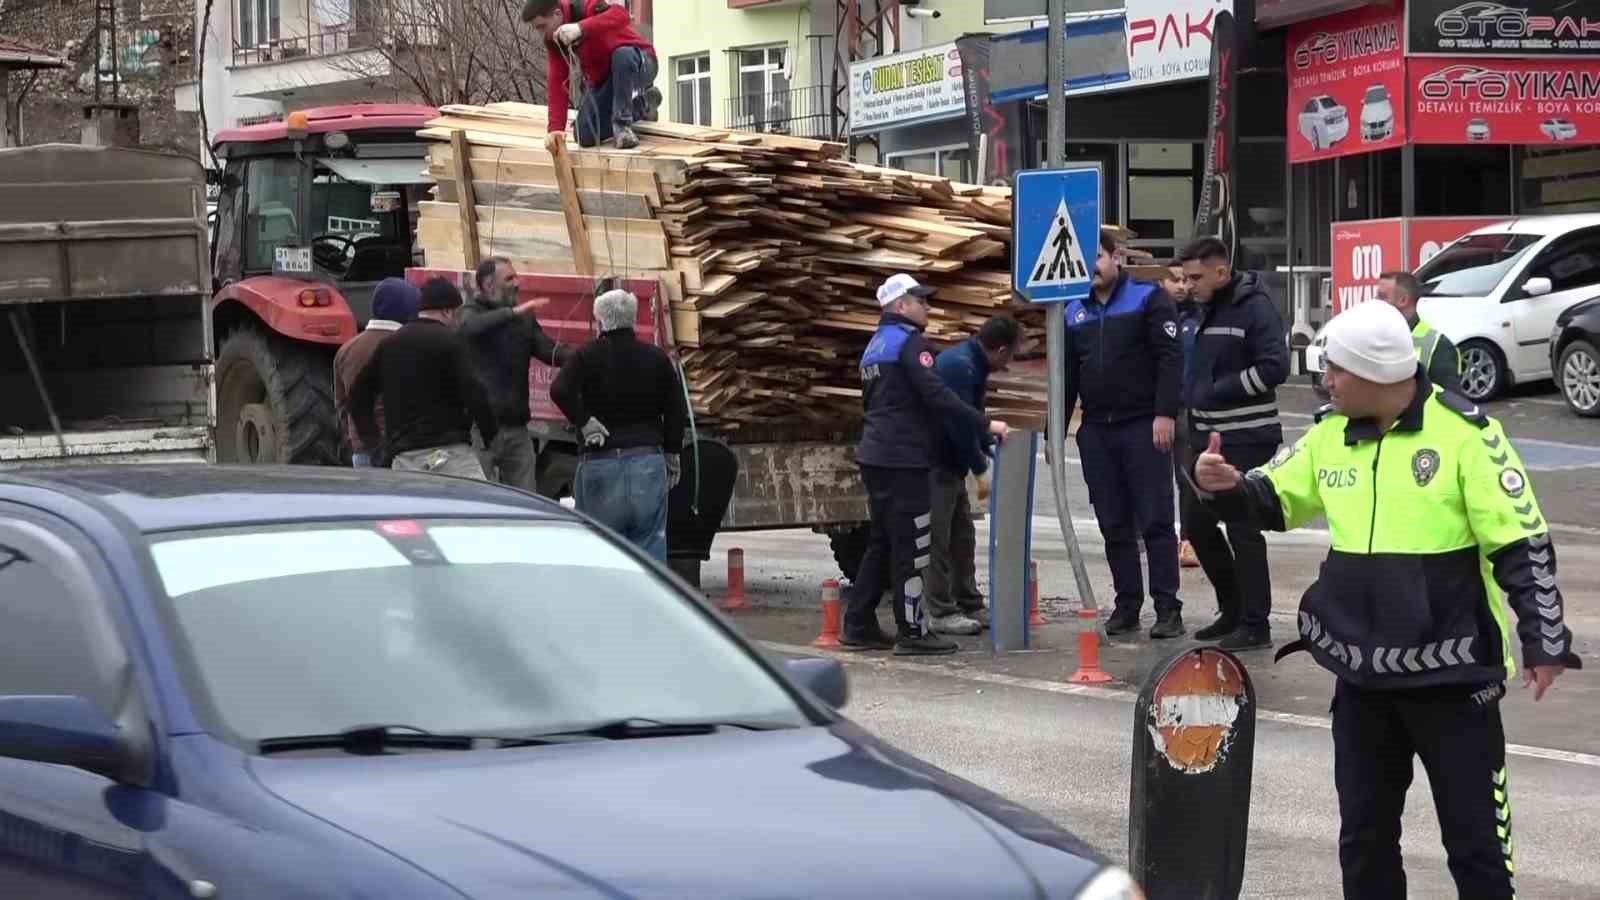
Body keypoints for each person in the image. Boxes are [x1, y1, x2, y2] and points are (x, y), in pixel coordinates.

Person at [1193, 299, 1580, 900]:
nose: (1324, 380)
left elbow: (1522, 543)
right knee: (1365, 842)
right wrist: (1228, 488)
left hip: (1454, 680)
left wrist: (1544, 637)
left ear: (1377, 375)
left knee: (1477, 848)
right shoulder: (1329, 434)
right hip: (1361, 678)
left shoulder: (1468, 435)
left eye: (1336, 370)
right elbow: (1274, 498)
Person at [842, 274, 1010, 656]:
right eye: (920, 300)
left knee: (882, 542)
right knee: (913, 547)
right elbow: (937, 395)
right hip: (904, 459)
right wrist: (985, 423)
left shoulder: (875, 346)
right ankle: (913, 633)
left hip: (876, 454)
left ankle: (858, 623)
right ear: (901, 305)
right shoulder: (910, 344)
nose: (927, 306)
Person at [1061, 232, 1185, 639]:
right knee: (1113, 523)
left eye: (1096, 256)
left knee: (1155, 520)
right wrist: (1055, 431)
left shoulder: (1147, 299)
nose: (1091, 266)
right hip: (1097, 429)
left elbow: (1170, 358)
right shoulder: (1072, 310)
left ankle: (1167, 608)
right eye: (1084, 259)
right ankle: (1126, 604)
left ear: (1117, 257)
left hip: (1142, 424)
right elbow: (1065, 376)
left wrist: (1165, 413)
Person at [1178, 236, 1290, 651]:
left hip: (1246, 434)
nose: (1188, 285)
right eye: (1184, 278)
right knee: (1198, 525)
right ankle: (1232, 609)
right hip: (1207, 436)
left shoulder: (1253, 306)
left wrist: (1219, 389)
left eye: (1195, 277)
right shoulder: (1200, 308)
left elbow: (1275, 366)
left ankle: (1255, 623)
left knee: (1243, 528)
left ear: (1222, 272)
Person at [550, 288, 685, 561]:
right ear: (634, 319)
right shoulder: (656, 358)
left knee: (602, 548)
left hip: (599, 463)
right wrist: (672, 453)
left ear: (600, 320)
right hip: (647, 463)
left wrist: (585, 422)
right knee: (649, 547)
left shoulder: (585, 356)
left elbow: (559, 389)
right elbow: (675, 408)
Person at [924, 315, 1021, 635]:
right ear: (1001, 350)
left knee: (962, 535)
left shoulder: (972, 363)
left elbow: (972, 416)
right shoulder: (959, 366)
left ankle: (968, 601)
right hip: (936, 462)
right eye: (1010, 356)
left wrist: (986, 441)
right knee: (938, 538)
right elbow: (957, 424)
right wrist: (980, 468)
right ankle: (939, 610)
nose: (1008, 364)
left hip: (951, 464)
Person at [348, 278, 497, 479]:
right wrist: (490, 436)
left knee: (413, 511)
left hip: (405, 460)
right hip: (453, 456)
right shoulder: (453, 342)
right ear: (447, 311)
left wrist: (375, 444)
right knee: (476, 508)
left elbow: (358, 396)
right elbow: (475, 392)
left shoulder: (390, 344)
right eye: (457, 313)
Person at [458, 257, 575, 493]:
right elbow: (469, 329)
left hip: (517, 430)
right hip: (480, 432)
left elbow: (548, 351)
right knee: (478, 504)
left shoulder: (523, 319)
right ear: (489, 285)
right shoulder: (470, 313)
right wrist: (511, 313)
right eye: (509, 278)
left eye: (516, 276)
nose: (517, 283)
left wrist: (584, 356)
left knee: (526, 501)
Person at [521, 0, 660, 149]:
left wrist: (581, 28)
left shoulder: (586, 6)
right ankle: (645, 103)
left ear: (557, 14)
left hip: (639, 62)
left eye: (542, 26)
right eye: (538, 29)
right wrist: (555, 129)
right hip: (606, 79)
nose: (542, 34)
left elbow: (621, 15)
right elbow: (557, 81)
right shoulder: (554, 41)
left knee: (622, 56)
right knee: (584, 135)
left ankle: (622, 128)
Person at [334, 277, 419, 467]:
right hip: (401, 451)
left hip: (362, 450)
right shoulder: (406, 346)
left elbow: (341, 406)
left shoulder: (346, 350)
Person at [1164, 258, 1201, 570]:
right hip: (1155, 410)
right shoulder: (1151, 317)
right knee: (1151, 478)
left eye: (1185, 280)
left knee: (1186, 478)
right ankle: (1153, 538)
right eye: (1174, 279)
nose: (1181, 286)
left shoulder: (1200, 318)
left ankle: (1188, 540)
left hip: (1188, 410)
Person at [1379, 270, 1462, 394]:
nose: (1375, 302)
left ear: (1403, 300)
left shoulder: (1439, 346)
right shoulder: (1373, 337)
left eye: (1382, 297)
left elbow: (1449, 402)